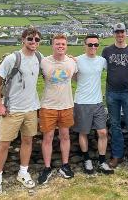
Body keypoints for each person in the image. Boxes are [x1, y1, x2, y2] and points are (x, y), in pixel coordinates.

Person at [0, 27, 42, 196]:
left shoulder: (39, 58)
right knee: (4, 144)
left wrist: (70, 57)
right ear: (23, 40)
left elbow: (56, 61)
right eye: (30, 39)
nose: (33, 42)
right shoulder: (12, 59)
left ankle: (23, 172)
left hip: (31, 108)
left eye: (37, 40)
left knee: (27, 141)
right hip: (12, 110)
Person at [37, 34, 77, 185]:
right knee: (47, 138)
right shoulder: (44, 62)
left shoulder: (72, 62)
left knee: (65, 136)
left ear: (66, 46)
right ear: (52, 45)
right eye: (57, 44)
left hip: (67, 105)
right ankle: (47, 168)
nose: (60, 46)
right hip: (48, 106)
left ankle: (65, 166)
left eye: (63, 44)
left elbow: (78, 76)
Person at [73, 34, 114, 175]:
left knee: (102, 132)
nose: (93, 47)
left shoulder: (102, 61)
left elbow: (115, 71)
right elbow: (72, 77)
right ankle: (86, 159)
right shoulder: (77, 60)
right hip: (82, 101)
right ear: (84, 45)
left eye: (96, 45)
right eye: (90, 44)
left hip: (97, 102)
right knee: (83, 132)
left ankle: (102, 161)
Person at [102, 23, 128, 168]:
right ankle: (117, 155)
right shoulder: (106, 51)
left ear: (126, 33)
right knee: (115, 125)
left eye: (122, 32)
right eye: (117, 32)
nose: (120, 35)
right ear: (114, 34)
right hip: (112, 92)